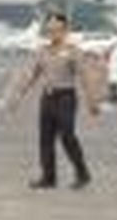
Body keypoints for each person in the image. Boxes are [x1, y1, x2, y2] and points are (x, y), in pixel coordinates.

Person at [15, 12, 98, 190]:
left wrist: (92, 100)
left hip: (66, 97)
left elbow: (85, 76)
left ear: (65, 30)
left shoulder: (73, 51)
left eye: (57, 30)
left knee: (67, 135)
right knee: (45, 139)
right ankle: (48, 177)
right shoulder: (42, 51)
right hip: (48, 97)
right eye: (50, 30)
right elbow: (33, 74)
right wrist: (19, 95)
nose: (54, 33)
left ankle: (82, 172)